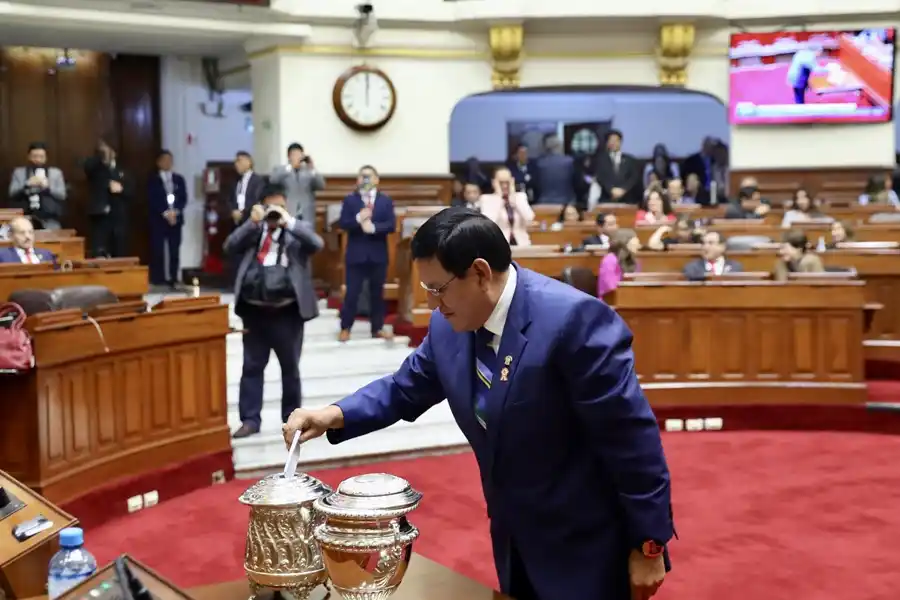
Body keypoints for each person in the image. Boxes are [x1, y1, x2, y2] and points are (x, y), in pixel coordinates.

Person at [283, 208, 674, 600]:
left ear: (481, 273)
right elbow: (405, 387)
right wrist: (334, 415)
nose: (433, 302)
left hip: (588, 545)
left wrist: (649, 545)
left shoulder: (574, 321)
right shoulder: (449, 324)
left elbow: (631, 442)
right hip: (512, 537)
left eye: (438, 288)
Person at [225, 184, 324, 439]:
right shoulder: (254, 232)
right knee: (251, 367)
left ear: (287, 206)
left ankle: (292, 421)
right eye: (271, 206)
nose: (275, 211)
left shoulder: (295, 232)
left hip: (286, 312)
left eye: (280, 205)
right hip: (255, 311)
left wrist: (287, 222)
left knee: (290, 368)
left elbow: (317, 243)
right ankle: (249, 420)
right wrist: (252, 222)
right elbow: (229, 245)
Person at [337, 165, 396, 342]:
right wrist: (358, 219)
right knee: (352, 292)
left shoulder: (385, 200)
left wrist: (375, 228)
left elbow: (391, 225)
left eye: (369, 176)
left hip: (378, 254)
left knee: (377, 293)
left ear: (377, 179)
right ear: (357, 180)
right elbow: (343, 223)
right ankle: (346, 327)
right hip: (356, 254)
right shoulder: (350, 200)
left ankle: (377, 328)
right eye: (362, 176)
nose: (366, 180)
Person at [84, 140, 132, 257]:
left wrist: (121, 190)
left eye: (108, 150)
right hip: (100, 216)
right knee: (99, 251)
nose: (106, 152)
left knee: (119, 250)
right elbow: (88, 167)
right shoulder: (95, 168)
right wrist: (102, 159)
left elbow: (131, 192)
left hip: (118, 217)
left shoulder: (123, 171)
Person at [148, 150, 187, 288]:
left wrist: (175, 212)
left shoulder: (179, 179)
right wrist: (165, 213)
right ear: (158, 162)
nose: (167, 163)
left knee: (174, 250)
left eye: (170, 160)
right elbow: (152, 199)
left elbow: (183, 198)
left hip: (176, 219)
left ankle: (174, 278)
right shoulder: (153, 180)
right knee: (158, 249)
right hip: (159, 220)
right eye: (164, 160)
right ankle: (158, 278)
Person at [7, 142, 66, 230]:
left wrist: (48, 188)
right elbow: (12, 193)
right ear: (29, 156)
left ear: (46, 157)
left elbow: (62, 195)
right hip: (25, 217)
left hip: (49, 217)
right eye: (34, 156)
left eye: (41, 156)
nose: (38, 159)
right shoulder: (19, 172)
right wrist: (27, 184)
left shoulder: (55, 173)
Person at [478, 167, 535, 246]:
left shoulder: (520, 197)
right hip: (499, 245)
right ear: (494, 182)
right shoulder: (486, 199)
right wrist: (499, 197)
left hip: (522, 244)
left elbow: (529, 218)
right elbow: (489, 223)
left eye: (507, 182)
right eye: (501, 183)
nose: (505, 186)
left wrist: (513, 197)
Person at [269, 142, 326, 219]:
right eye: (294, 154)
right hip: (289, 210)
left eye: (299, 154)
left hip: (307, 211)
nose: (297, 157)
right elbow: (273, 180)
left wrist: (312, 168)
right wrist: (290, 167)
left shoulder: (309, 171)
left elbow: (321, 185)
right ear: (289, 156)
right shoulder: (281, 169)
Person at [597, 228, 641, 298]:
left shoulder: (634, 260)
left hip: (629, 298)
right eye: (636, 243)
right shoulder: (610, 260)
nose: (639, 246)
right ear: (625, 242)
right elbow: (610, 288)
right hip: (609, 302)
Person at [229, 151, 265, 225]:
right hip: (236, 223)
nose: (236, 164)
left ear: (249, 162)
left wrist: (243, 213)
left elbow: (256, 201)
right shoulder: (236, 181)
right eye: (235, 162)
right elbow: (230, 200)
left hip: (251, 222)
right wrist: (233, 211)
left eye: (239, 161)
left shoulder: (257, 181)